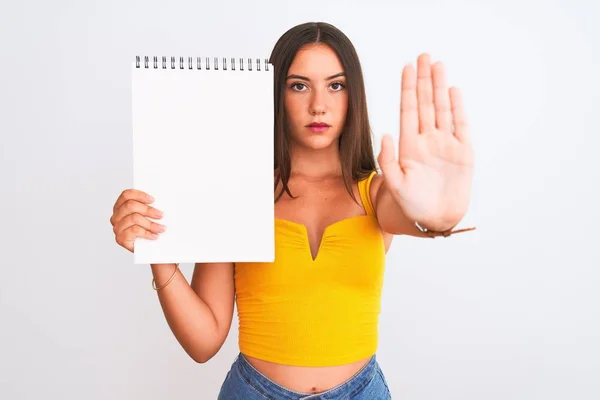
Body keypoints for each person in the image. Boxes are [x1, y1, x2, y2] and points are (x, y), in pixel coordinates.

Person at [110, 21, 475, 399]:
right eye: (299, 85)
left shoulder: (378, 191)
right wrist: (157, 250)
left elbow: (414, 215)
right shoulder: (237, 194)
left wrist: (441, 216)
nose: (319, 104)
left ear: (354, 96)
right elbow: (203, 342)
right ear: (276, 95)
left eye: (336, 85)